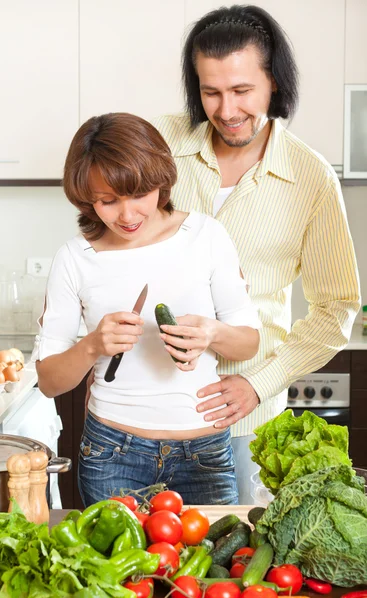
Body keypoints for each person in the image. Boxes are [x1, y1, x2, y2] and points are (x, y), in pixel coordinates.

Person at [153, 4, 361, 503]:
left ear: (273, 83)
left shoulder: (311, 178)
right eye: (211, 92)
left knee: (236, 561)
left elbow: (337, 310)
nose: (226, 111)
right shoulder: (157, 144)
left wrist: (260, 383)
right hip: (147, 414)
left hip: (243, 418)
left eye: (242, 90)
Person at [33, 112, 261, 507]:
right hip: (113, 455)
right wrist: (92, 345)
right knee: (118, 570)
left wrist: (210, 333)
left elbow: (249, 343)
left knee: (212, 569)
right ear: (87, 199)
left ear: (161, 180)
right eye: (107, 201)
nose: (127, 215)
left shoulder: (206, 236)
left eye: (138, 194)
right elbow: (50, 382)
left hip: (204, 452)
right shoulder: (75, 258)